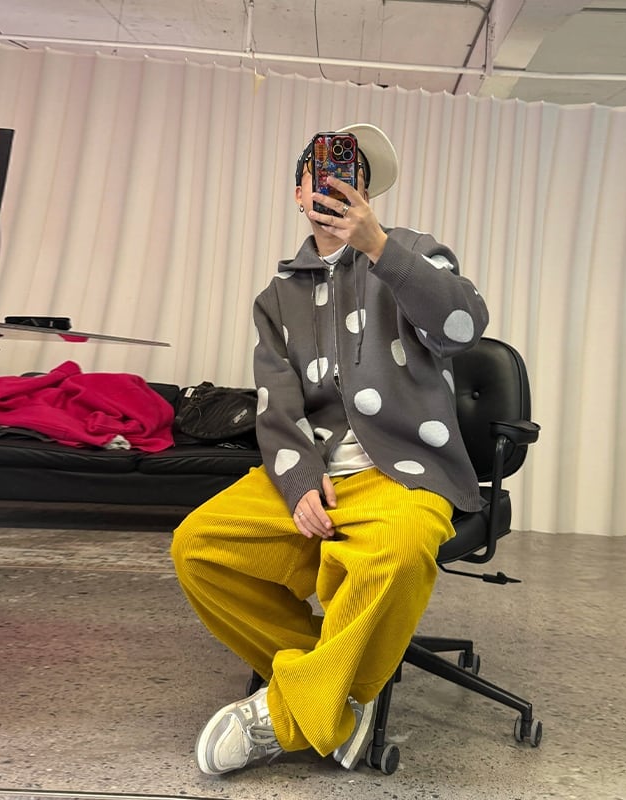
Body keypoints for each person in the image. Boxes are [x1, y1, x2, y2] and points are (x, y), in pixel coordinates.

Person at [171, 122, 489, 775]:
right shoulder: (277, 296)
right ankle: (335, 688)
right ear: (300, 193)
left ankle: (292, 712)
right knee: (198, 548)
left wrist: (379, 248)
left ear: (366, 196)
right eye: (323, 177)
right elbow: (276, 402)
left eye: (352, 180)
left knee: (400, 553)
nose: (337, 188)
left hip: (402, 472)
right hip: (312, 471)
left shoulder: (415, 252)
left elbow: (463, 327)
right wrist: (297, 481)